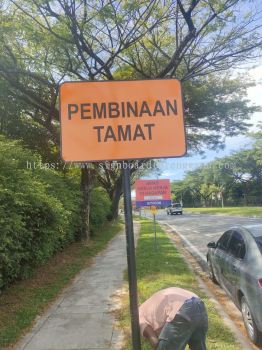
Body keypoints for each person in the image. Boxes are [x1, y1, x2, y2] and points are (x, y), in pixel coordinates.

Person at [139, 287, 208, 350]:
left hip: (181, 307)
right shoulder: (149, 308)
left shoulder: (139, 318)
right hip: (199, 303)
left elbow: (155, 341)